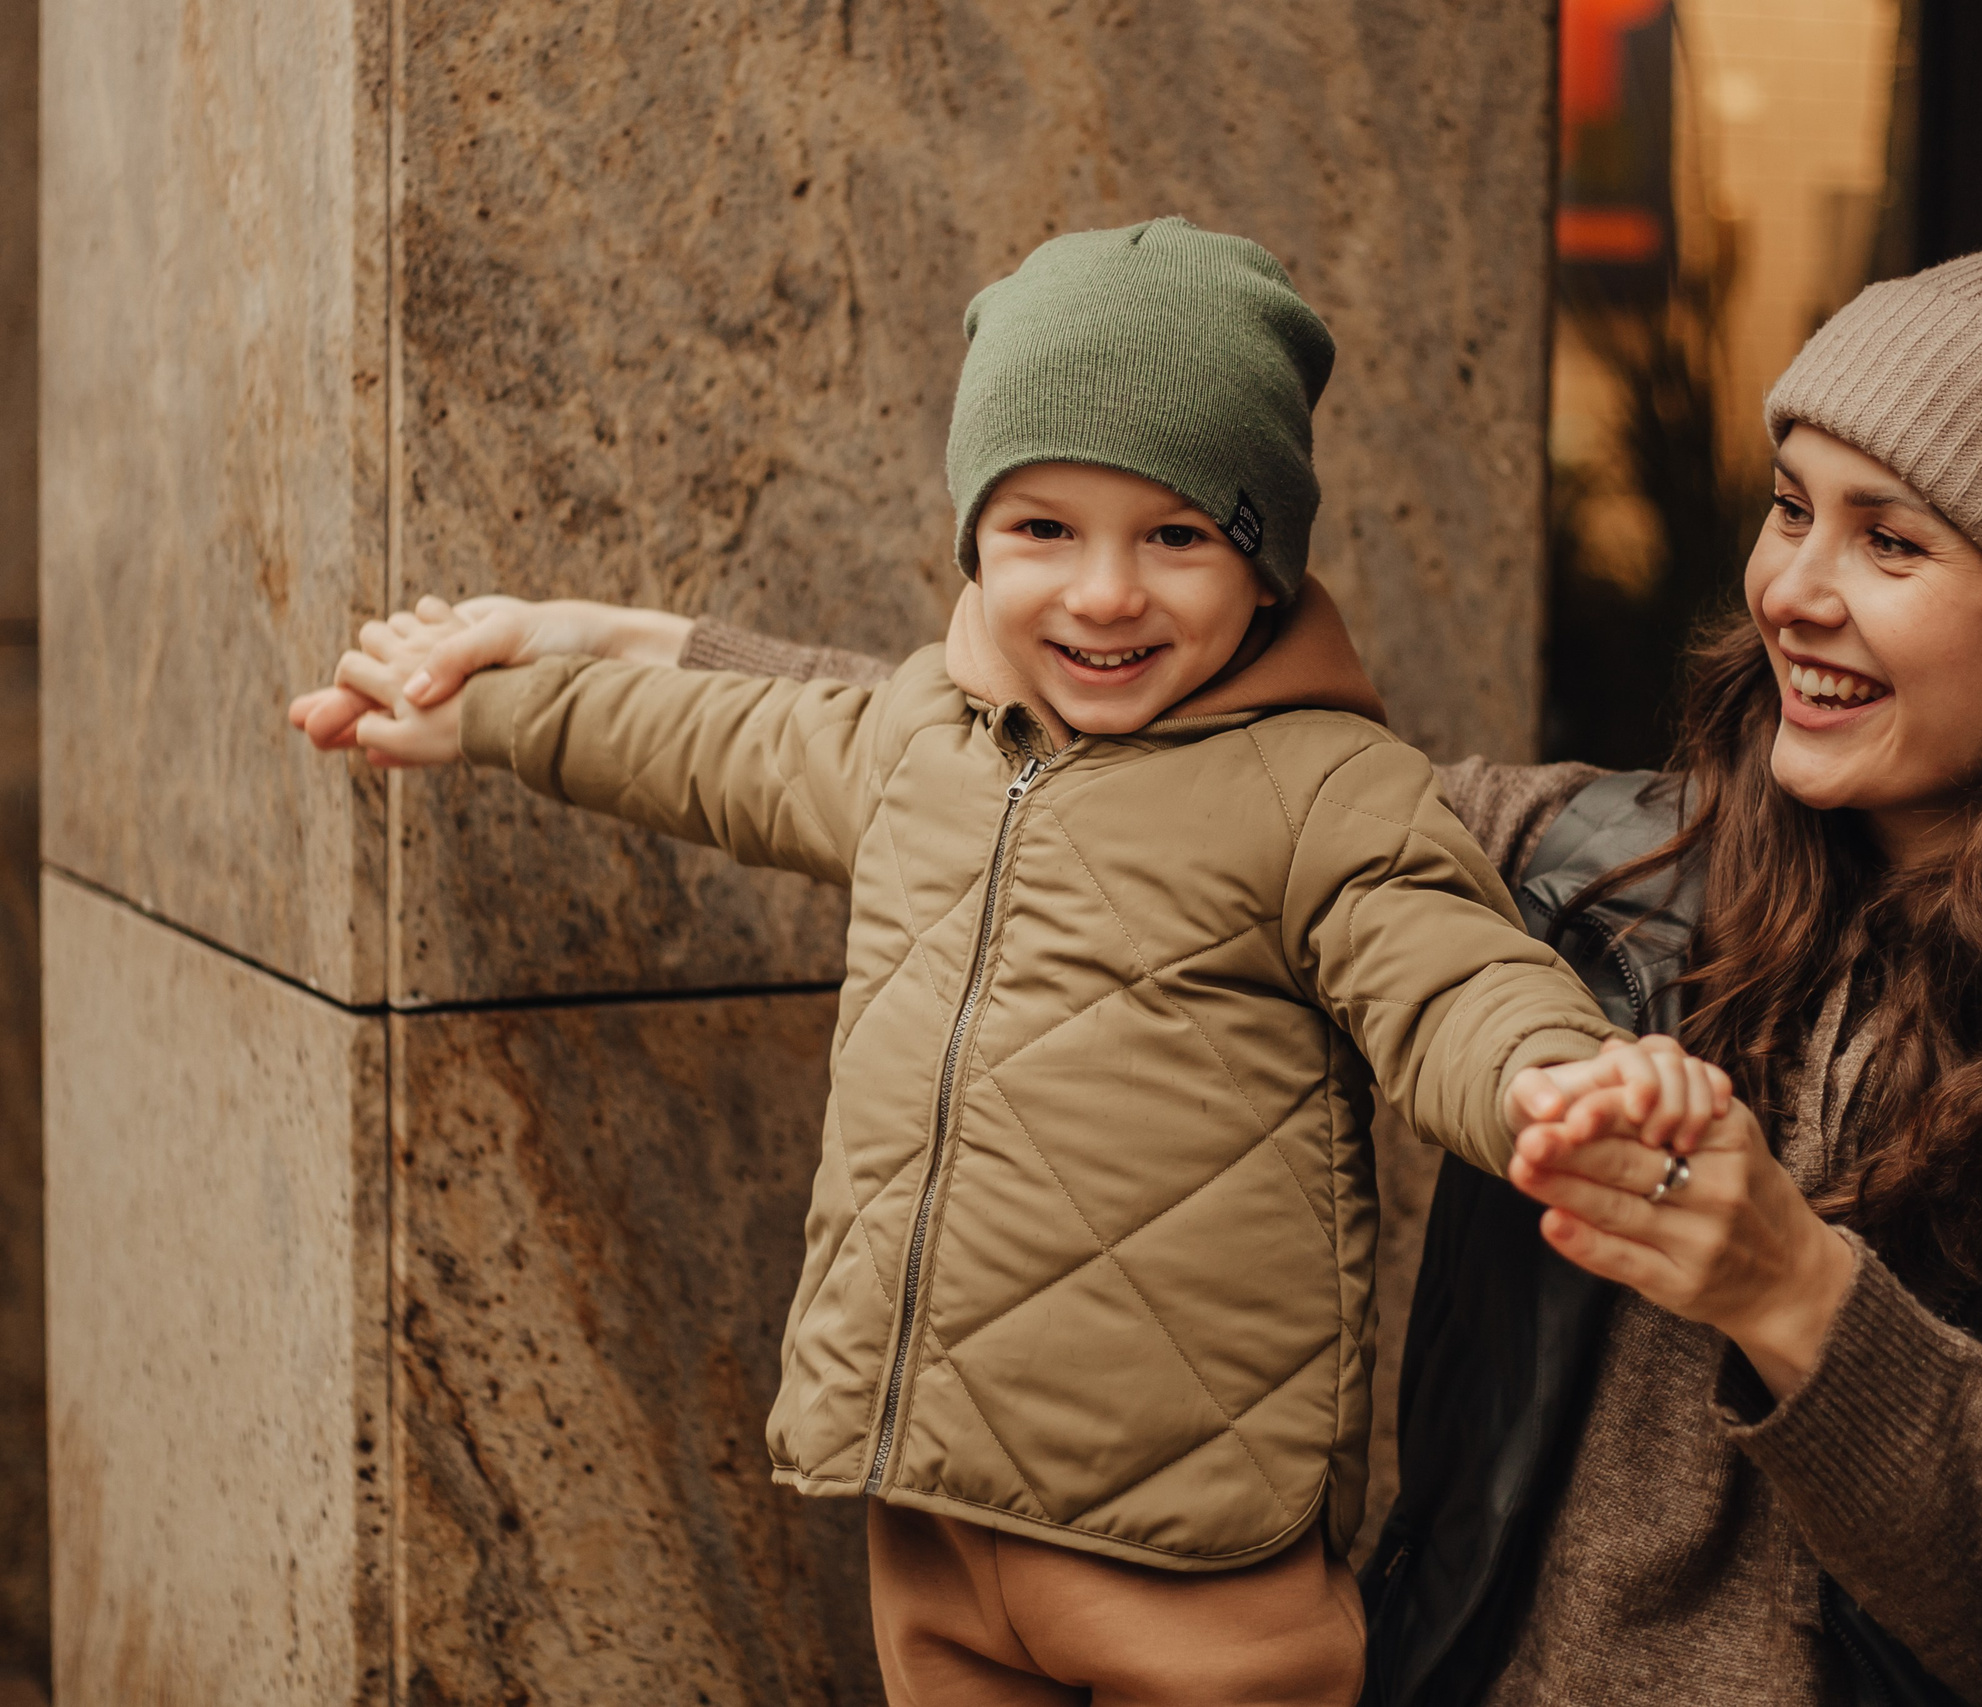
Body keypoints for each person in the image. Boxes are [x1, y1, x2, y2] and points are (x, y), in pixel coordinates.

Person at [304, 175, 1982, 1706]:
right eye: (1791, 507)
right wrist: (595, 654)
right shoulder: (1612, 861)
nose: (1793, 585)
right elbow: (1075, 787)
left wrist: (1793, 1289)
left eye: (1892, 540)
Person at [292, 218, 1730, 1707]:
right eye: (1043, 528)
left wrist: (1561, 1079)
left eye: (1177, 536)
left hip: (1196, 1554)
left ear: (1266, 569)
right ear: (973, 539)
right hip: (929, 1505)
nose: (1105, 593)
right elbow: (714, 740)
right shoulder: (923, 734)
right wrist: (484, 710)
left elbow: (1447, 974)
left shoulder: (1325, 791)